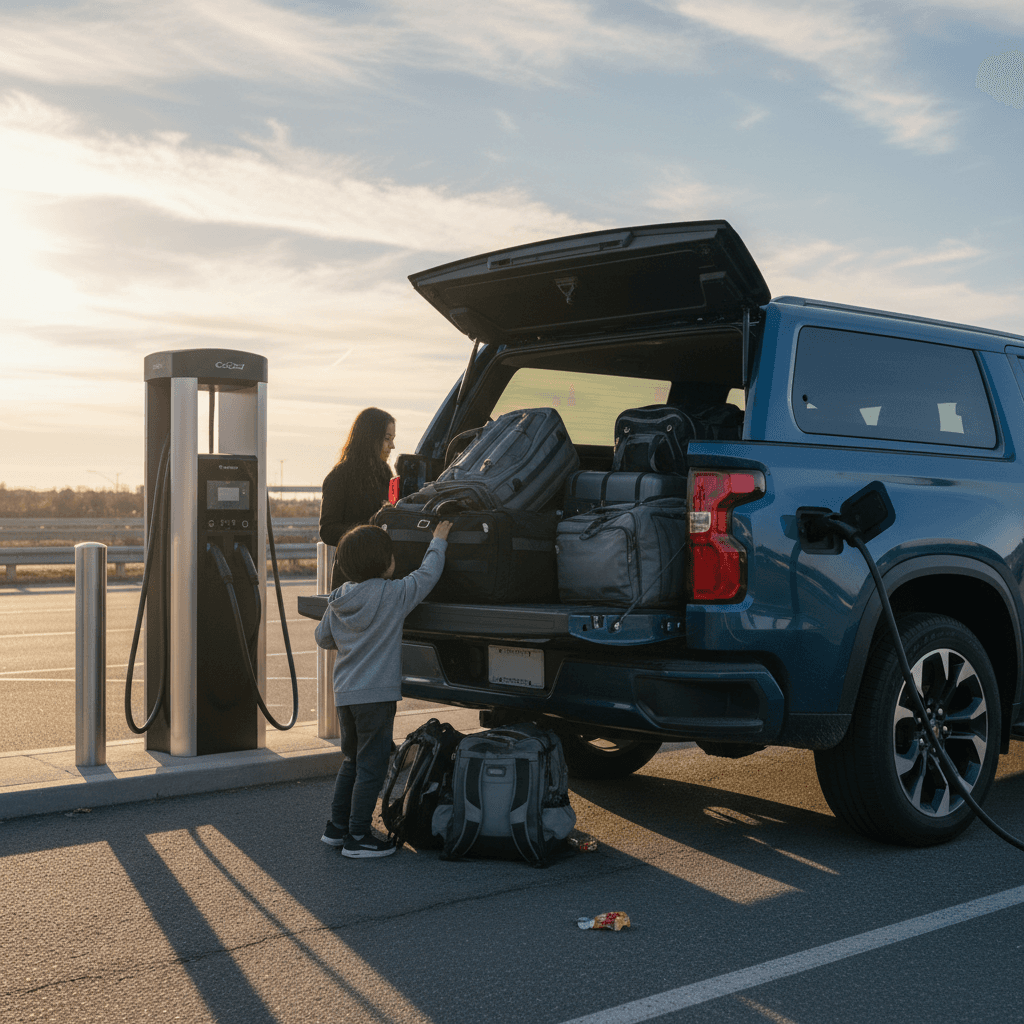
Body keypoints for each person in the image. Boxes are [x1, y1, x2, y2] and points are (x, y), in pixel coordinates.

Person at [315, 519, 453, 858]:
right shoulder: (392, 595)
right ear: (386, 563)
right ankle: (359, 836)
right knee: (372, 768)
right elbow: (426, 576)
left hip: (345, 696)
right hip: (375, 697)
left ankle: (337, 827)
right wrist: (438, 541)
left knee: (352, 760)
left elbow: (322, 638)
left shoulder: (338, 599)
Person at [320, 408, 396, 589]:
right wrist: (369, 528)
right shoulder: (339, 477)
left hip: (382, 577)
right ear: (370, 439)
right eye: (387, 439)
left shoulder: (386, 474)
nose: (392, 446)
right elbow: (327, 531)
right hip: (350, 579)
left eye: (392, 439)